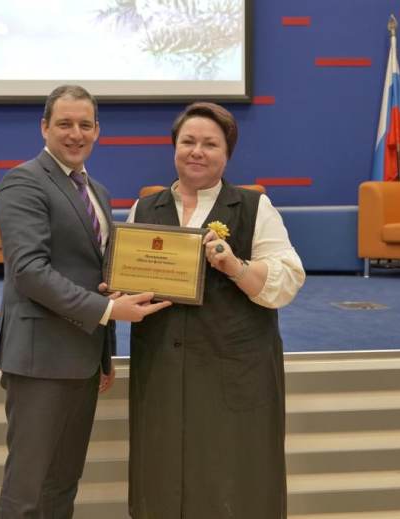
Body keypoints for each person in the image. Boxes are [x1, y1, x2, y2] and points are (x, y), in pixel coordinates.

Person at [0, 84, 171, 519]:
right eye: (65, 124)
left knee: (62, 483)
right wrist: (109, 311)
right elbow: (29, 271)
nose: (76, 134)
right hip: (39, 361)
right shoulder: (23, 182)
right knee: (27, 490)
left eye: (85, 125)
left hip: (83, 358)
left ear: (97, 131)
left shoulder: (97, 191)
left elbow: (96, 276)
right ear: (44, 128)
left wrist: (104, 351)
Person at [126, 102, 305, 518]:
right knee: (162, 476)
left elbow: (287, 280)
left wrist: (236, 267)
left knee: (234, 477)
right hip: (162, 368)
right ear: (174, 147)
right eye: (188, 141)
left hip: (233, 369)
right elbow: (128, 275)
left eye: (210, 144)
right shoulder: (144, 209)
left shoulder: (255, 207)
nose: (197, 151)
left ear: (227, 153)